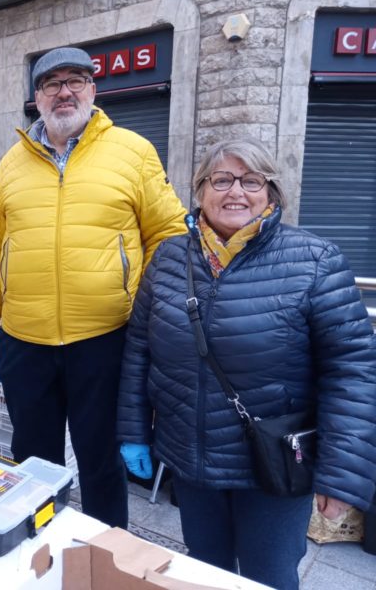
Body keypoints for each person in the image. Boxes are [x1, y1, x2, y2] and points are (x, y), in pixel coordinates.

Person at [117, 138, 376, 590]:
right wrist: (134, 432)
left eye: (251, 180)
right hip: (191, 461)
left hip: (272, 470)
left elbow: (352, 370)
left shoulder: (314, 260)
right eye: (221, 179)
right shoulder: (169, 259)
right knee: (204, 572)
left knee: (269, 578)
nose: (235, 191)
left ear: (271, 193)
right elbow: (139, 348)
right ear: (200, 191)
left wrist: (340, 475)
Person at [0, 46, 186, 528]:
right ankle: (37, 546)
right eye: (52, 83)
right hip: (24, 340)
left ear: (93, 89)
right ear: (37, 98)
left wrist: (146, 310)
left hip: (106, 338)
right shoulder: (12, 162)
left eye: (75, 81)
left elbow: (169, 236)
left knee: (100, 461)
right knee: (31, 461)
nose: (64, 91)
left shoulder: (132, 151)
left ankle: (105, 553)